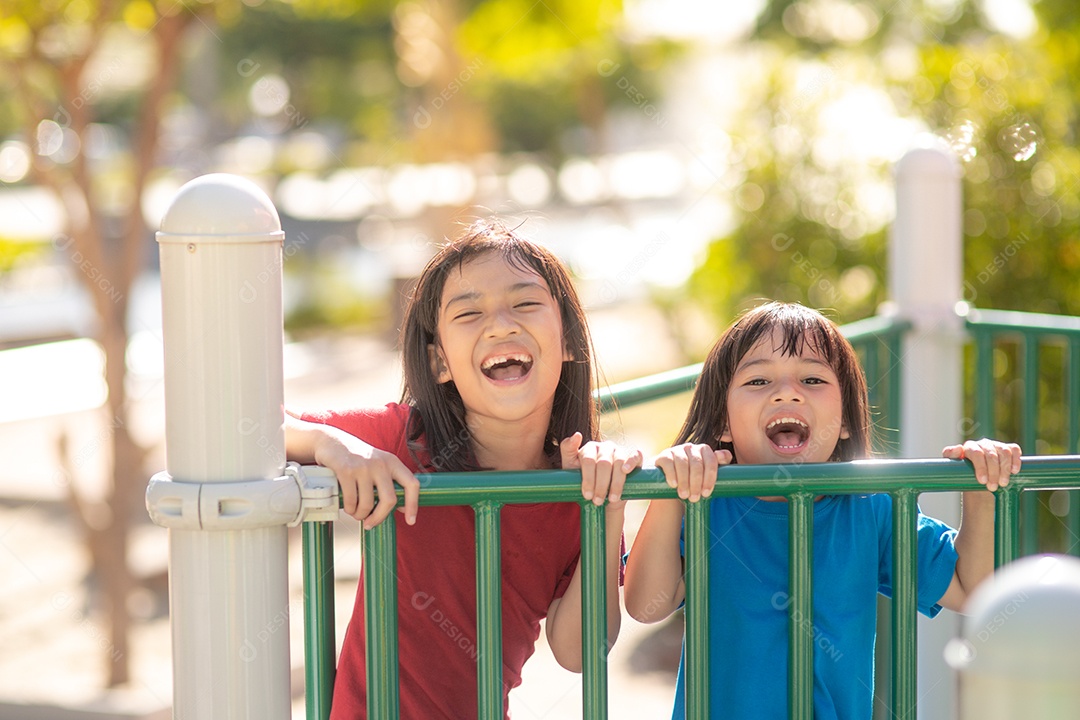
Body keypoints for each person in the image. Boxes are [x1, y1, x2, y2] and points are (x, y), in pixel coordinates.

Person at [286, 219, 641, 719]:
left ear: (567, 342)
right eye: (470, 313)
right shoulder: (404, 438)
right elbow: (254, 426)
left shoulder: (577, 485)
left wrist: (608, 506)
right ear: (439, 364)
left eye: (524, 304)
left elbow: (581, 651)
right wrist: (332, 444)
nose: (500, 324)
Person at [622, 301, 1021, 719]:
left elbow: (972, 590)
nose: (787, 391)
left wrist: (981, 493)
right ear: (722, 422)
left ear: (845, 420)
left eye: (812, 379)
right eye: (758, 380)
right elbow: (646, 604)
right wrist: (669, 491)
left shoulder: (872, 506)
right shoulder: (704, 504)